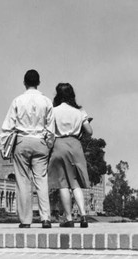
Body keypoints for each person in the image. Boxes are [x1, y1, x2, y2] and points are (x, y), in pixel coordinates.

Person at [0, 69, 55, 228]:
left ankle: (25, 220)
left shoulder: (17, 101)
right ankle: (46, 218)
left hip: (22, 141)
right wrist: (49, 144)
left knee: (23, 181)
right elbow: (51, 128)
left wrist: (5, 146)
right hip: (41, 142)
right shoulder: (46, 101)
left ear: (24, 82)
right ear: (39, 82)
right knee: (41, 180)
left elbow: (8, 126)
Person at [48, 83, 93, 228]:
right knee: (76, 183)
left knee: (63, 184)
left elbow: (48, 131)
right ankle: (83, 215)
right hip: (75, 145)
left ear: (57, 95)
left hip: (59, 144)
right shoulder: (79, 111)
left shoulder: (53, 111)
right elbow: (89, 131)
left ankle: (68, 218)